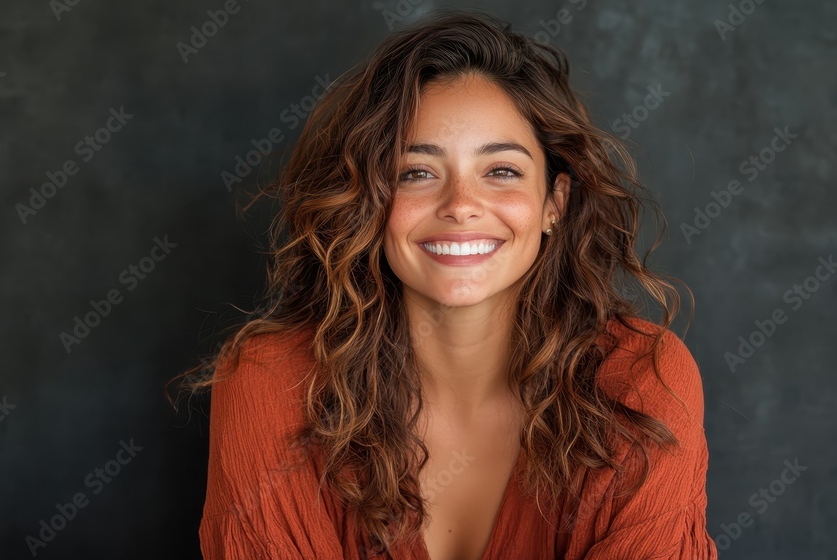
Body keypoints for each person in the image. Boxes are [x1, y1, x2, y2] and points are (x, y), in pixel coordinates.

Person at [169, 8, 717, 560]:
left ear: (555, 202)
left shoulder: (641, 382)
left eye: (500, 170)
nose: (460, 206)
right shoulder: (271, 385)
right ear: (370, 201)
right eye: (417, 173)